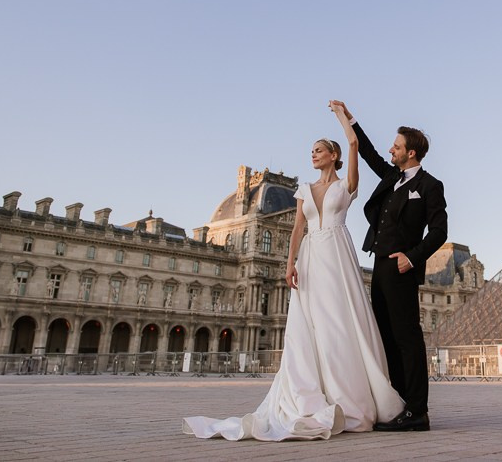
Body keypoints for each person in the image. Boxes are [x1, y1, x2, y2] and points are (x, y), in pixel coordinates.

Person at [182, 102, 404, 441]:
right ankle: (311, 393)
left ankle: (347, 394)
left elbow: (356, 144)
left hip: (337, 255)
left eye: (318, 150)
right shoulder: (302, 190)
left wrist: (342, 117)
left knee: (339, 322)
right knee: (309, 325)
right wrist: (289, 265)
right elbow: (298, 229)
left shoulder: (346, 186)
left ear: (333, 155)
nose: (312, 154)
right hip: (311, 258)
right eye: (311, 151)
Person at [331, 100, 447, 432]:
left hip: (402, 268)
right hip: (380, 264)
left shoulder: (429, 186)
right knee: (384, 335)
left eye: (396, 147)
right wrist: (349, 119)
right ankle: (397, 403)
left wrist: (412, 256)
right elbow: (366, 153)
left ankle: (417, 410)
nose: (391, 150)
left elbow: (439, 231)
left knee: (407, 337)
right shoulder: (392, 176)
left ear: (411, 153)